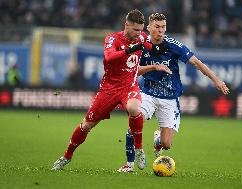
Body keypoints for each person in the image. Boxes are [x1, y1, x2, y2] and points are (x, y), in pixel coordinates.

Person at [51, 9, 169, 171]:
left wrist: (154, 54)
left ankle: (139, 149)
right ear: (126, 25)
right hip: (109, 89)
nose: (138, 34)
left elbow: (148, 45)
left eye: (140, 30)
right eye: (135, 30)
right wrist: (132, 49)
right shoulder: (112, 38)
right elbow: (109, 57)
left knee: (135, 108)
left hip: (129, 86)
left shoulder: (141, 37)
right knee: (87, 125)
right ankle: (67, 156)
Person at [117, 13, 230, 172]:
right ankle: (129, 165)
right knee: (135, 121)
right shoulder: (140, 45)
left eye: (163, 27)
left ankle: (158, 140)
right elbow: (132, 70)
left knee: (166, 144)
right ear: (149, 27)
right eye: (157, 27)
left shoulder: (173, 45)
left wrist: (216, 80)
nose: (160, 30)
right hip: (148, 94)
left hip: (170, 98)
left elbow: (196, 63)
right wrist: (153, 67)